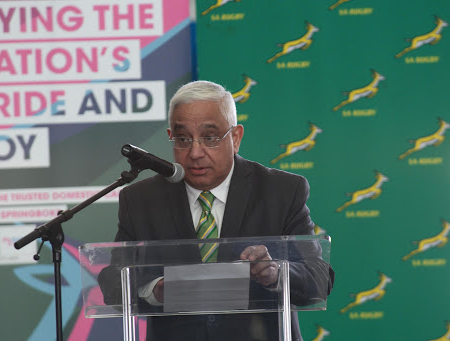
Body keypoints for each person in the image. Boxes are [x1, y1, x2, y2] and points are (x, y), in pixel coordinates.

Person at [99, 80, 334, 341]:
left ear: (235, 137)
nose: (195, 152)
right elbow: (113, 283)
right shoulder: (141, 199)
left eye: (209, 138)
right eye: (183, 139)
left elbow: (318, 280)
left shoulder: (281, 191)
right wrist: (155, 291)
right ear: (170, 137)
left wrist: (276, 273)